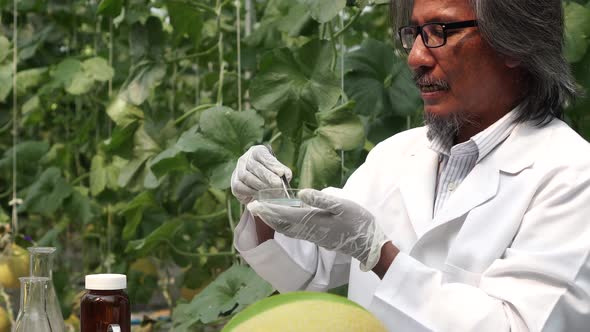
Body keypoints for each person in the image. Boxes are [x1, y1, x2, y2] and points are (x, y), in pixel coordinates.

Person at [230, 0, 590, 330]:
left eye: (440, 32)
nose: (416, 57)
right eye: (414, 33)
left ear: (514, 43)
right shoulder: (395, 155)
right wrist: (267, 205)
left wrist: (381, 255)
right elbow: (309, 270)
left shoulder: (571, 174)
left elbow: (520, 325)